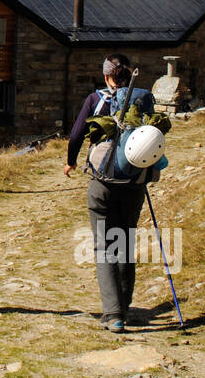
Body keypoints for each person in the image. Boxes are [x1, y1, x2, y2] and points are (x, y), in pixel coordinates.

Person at [63, 53, 155, 334]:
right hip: (134, 180)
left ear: (106, 76)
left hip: (102, 180)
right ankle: (124, 305)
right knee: (125, 239)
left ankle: (113, 314)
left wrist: (70, 161)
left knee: (104, 245)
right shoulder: (144, 98)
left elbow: (77, 134)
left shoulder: (96, 100)